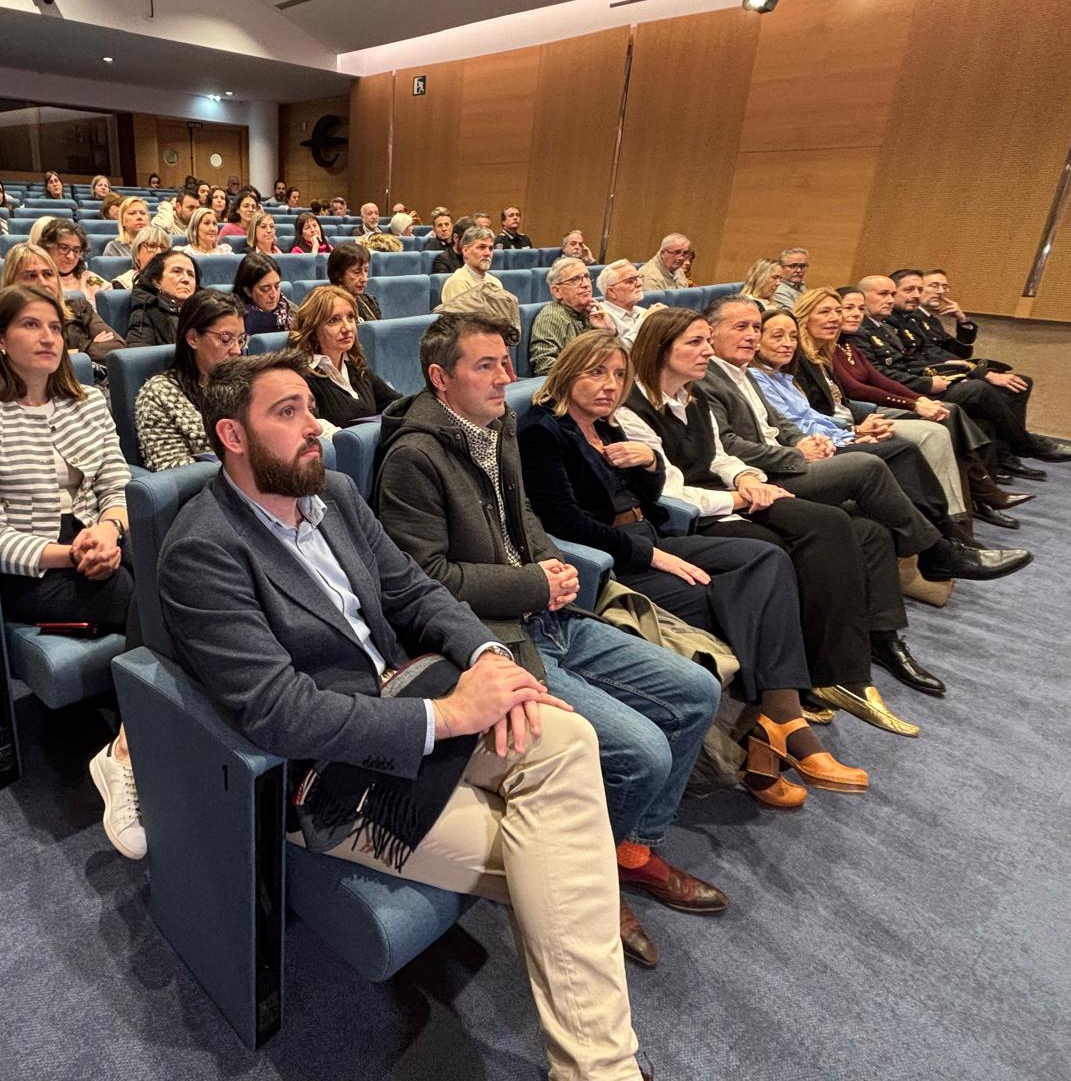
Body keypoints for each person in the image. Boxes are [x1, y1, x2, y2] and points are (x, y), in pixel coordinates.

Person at [162, 349, 646, 1080]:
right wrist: (451, 718)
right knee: (563, 847)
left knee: (567, 738)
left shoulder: (336, 496)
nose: (312, 426)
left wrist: (488, 656)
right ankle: (601, 1069)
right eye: (285, 413)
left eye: (309, 408)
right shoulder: (203, 549)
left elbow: (417, 593)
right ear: (234, 436)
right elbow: (279, 713)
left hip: (412, 695)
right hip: (333, 777)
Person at [375, 313, 728, 969]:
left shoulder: (498, 423)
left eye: (507, 363)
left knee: (697, 692)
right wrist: (533, 584)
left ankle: (630, 850)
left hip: (549, 615)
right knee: (642, 753)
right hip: (491, 638)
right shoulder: (414, 455)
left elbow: (525, 519)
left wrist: (554, 567)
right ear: (439, 378)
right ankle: (593, 883)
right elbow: (421, 582)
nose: (507, 377)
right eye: (487, 365)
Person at [518, 330, 867, 808]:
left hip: (651, 533)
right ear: (568, 373)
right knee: (722, 600)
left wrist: (648, 465)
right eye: (596, 372)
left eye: (618, 375)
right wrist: (650, 556)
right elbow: (563, 520)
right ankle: (773, 737)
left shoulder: (609, 424)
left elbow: (643, 498)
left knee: (766, 559)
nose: (609, 385)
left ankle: (778, 719)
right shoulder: (543, 430)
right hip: (615, 558)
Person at [613, 307, 933, 736]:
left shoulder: (695, 396)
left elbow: (720, 457)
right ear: (660, 348)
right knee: (800, 538)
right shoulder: (631, 409)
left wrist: (746, 477)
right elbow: (669, 490)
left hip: (731, 497)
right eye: (695, 342)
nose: (708, 351)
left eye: (708, 340)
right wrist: (737, 495)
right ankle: (826, 677)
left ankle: (839, 672)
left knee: (852, 527)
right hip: (697, 514)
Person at [0, 281, 138, 852]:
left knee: (184, 574)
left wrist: (109, 529)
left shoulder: (87, 401)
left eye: (54, 326)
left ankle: (137, 742)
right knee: (153, 602)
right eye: (31, 325)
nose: (48, 336)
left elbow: (115, 479)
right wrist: (72, 554)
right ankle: (132, 756)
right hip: (28, 569)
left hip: (99, 538)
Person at [698, 296, 1030, 607]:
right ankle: (940, 549)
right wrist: (805, 451)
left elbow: (781, 423)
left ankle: (944, 545)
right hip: (762, 475)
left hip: (797, 452)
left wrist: (802, 440)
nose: (752, 336)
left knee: (892, 472)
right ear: (710, 333)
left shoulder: (744, 373)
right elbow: (727, 443)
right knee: (870, 465)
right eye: (742, 328)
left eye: (756, 327)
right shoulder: (709, 376)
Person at [791, 290, 1029, 531]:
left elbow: (880, 379)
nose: (838, 317)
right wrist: (864, 425)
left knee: (948, 419)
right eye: (827, 312)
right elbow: (851, 392)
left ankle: (965, 512)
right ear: (803, 317)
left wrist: (919, 400)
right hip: (851, 418)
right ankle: (959, 516)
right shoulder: (803, 355)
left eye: (840, 311)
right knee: (943, 421)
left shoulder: (833, 348)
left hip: (855, 415)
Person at [754, 302, 980, 536]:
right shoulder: (763, 376)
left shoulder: (785, 374)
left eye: (792, 337)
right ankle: (946, 533)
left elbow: (817, 414)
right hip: (811, 450)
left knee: (930, 428)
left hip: (843, 427)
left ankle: (952, 523)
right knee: (903, 450)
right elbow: (798, 425)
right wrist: (854, 434)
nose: (788, 343)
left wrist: (856, 432)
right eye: (778, 337)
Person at [851, 275, 1071, 474]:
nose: (891, 299)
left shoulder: (894, 325)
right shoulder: (869, 328)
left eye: (893, 294)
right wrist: (933, 382)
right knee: (977, 390)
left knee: (995, 399)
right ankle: (1023, 444)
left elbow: (947, 353)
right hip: (905, 389)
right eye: (886, 294)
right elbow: (882, 373)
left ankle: (1000, 463)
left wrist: (963, 325)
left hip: (921, 380)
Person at [134, 290, 244, 469]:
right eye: (226, 339)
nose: (237, 350)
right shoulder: (160, 394)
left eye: (241, 339)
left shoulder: (248, 382)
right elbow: (172, 469)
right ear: (193, 338)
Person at [290, 284, 401, 430]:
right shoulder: (302, 377)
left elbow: (397, 404)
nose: (347, 327)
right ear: (314, 330)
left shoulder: (356, 366)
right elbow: (316, 431)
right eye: (334, 320)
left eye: (350, 317)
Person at [529, 256, 613, 375]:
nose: (585, 284)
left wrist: (608, 332)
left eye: (587, 277)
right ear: (557, 291)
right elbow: (545, 366)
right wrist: (589, 375)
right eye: (575, 279)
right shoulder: (552, 317)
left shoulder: (592, 314)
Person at [125, 248, 197, 347]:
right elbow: (139, 356)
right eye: (177, 271)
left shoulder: (206, 309)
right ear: (157, 281)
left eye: (190, 274)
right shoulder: (145, 311)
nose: (186, 279)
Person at [597, 260, 659, 348]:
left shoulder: (643, 312)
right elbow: (619, 353)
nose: (639, 283)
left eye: (639, 278)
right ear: (611, 292)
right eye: (630, 281)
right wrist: (644, 322)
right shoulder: (601, 316)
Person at [232, 251, 296, 335]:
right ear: (247, 291)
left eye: (277, 286)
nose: (274, 295)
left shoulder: (289, 308)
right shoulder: (236, 320)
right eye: (265, 289)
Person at [439, 225, 501, 304]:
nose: (488, 253)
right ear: (466, 251)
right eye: (481, 247)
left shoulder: (495, 282)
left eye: (490, 248)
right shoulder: (457, 283)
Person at [318, 241, 377, 322]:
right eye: (356, 272)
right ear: (339, 275)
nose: (364, 279)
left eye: (366, 271)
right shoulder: (327, 306)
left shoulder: (369, 301)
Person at [110, 224, 171, 290]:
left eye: (163, 247)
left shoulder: (176, 280)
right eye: (151, 246)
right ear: (137, 252)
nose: (158, 252)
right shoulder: (123, 284)